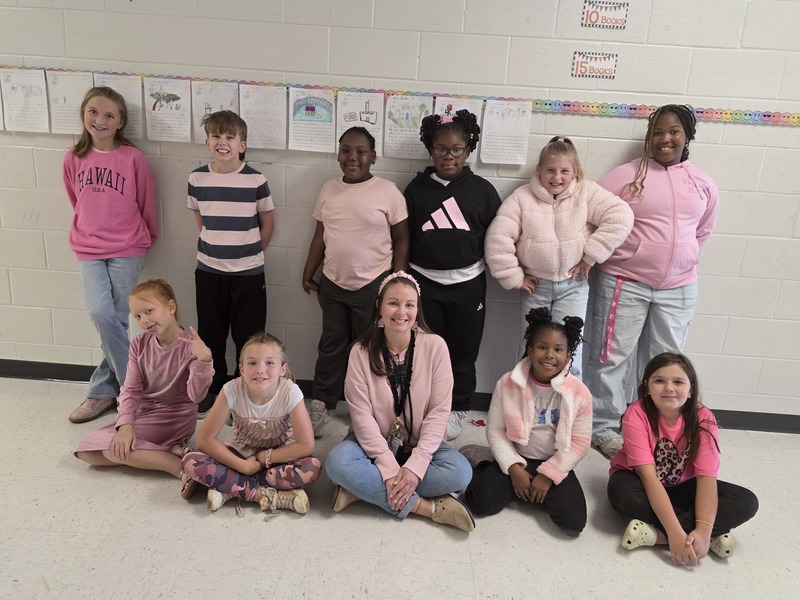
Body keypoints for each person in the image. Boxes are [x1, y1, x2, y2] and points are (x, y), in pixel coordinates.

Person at [583, 104, 719, 458]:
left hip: (679, 288)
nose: (664, 139)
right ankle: (604, 428)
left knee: (665, 364)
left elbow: (702, 231)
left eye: (673, 131)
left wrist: (678, 259)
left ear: (686, 135)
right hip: (624, 282)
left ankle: (655, 426)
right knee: (610, 357)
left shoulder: (702, 183)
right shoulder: (625, 176)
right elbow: (590, 216)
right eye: (657, 132)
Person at [325, 272, 475, 532]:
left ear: (417, 310)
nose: (401, 312)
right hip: (374, 446)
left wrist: (416, 466)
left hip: (419, 444)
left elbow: (439, 414)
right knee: (337, 463)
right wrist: (388, 467)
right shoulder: (360, 352)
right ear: (379, 308)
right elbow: (361, 419)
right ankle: (425, 508)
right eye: (393, 303)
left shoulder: (435, 347)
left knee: (460, 473)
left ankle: (361, 491)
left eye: (409, 304)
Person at [485, 136, 633, 378]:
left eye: (565, 171)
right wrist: (514, 277)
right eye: (550, 170)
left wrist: (591, 255)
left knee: (570, 349)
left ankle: (569, 410)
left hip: (573, 287)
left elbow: (621, 216)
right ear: (539, 170)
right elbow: (497, 238)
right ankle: (528, 408)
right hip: (536, 288)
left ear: (575, 172)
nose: (557, 177)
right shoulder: (522, 198)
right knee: (533, 349)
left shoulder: (586, 193)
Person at [303, 126, 409, 438]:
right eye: (346, 150)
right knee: (331, 346)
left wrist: (397, 283)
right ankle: (322, 404)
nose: (352, 157)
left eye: (361, 151)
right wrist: (309, 271)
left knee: (371, 349)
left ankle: (373, 410)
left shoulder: (388, 192)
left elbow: (402, 240)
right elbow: (320, 236)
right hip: (333, 284)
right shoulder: (329, 189)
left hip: (374, 286)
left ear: (372, 156)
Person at [404, 109, 502, 441]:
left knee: (462, 351)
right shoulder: (415, 190)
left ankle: (459, 406)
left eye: (456, 149)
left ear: (468, 150)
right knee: (424, 349)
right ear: (430, 151)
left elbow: (499, 237)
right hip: (424, 283)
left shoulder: (483, 191)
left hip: (468, 285)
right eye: (441, 149)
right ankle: (426, 404)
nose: (449, 156)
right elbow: (404, 238)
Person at [607, 352, 758, 564]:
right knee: (624, 497)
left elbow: (707, 478)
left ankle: (657, 537)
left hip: (682, 485)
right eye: (659, 381)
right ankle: (712, 531)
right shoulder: (636, 414)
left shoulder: (703, 417)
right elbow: (649, 477)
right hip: (639, 480)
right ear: (647, 387)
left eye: (678, 382)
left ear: (691, 390)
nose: (669, 388)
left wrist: (704, 530)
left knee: (747, 502)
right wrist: (675, 533)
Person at [64, 86, 157, 423]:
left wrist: (147, 238)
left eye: (108, 115)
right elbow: (77, 201)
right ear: (83, 115)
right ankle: (134, 392)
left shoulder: (133, 158)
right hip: (88, 247)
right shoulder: (73, 157)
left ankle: (102, 393)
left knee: (116, 319)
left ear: (120, 122)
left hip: (128, 247)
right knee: (103, 314)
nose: (99, 120)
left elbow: (147, 200)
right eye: (93, 112)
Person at [462, 307, 591, 536]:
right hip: (517, 457)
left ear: (568, 355)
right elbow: (496, 431)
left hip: (553, 461)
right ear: (530, 352)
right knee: (477, 503)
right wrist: (512, 468)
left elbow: (580, 443)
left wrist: (549, 475)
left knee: (573, 524)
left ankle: (531, 487)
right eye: (542, 347)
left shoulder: (580, 393)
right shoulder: (507, 383)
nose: (550, 355)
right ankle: (486, 465)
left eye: (558, 349)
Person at [74, 279, 213, 479]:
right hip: (145, 414)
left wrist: (204, 362)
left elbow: (197, 396)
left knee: (113, 450)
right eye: (138, 316)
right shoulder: (139, 343)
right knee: (86, 451)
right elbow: (131, 389)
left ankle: (178, 468)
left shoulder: (192, 347)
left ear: (171, 307)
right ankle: (171, 450)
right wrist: (126, 425)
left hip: (175, 417)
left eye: (149, 311)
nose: (144, 321)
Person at [188, 110, 275, 418]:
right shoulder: (196, 178)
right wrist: (218, 251)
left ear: (242, 145)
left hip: (249, 273)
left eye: (230, 137)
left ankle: (245, 389)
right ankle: (213, 389)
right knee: (211, 332)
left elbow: (267, 222)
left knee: (249, 335)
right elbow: (200, 220)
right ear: (206, 141)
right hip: (209, 271)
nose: (222, 142)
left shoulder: (256, 179)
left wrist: (249, 253)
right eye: (216, 136)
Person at [181, 332, 321, 515]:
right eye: (252, 363)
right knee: (190, 461)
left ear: (282, 369)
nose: (260, 370)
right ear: (241, 369)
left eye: (269, 362)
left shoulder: (290, 392)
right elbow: (205, 440)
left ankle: (230, 488)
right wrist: (242, 466)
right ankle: (263, 494)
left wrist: (267, 457)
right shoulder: (231, 389)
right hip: (238, 456)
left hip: (277, 458)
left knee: (312, 467)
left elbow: (306, 446)